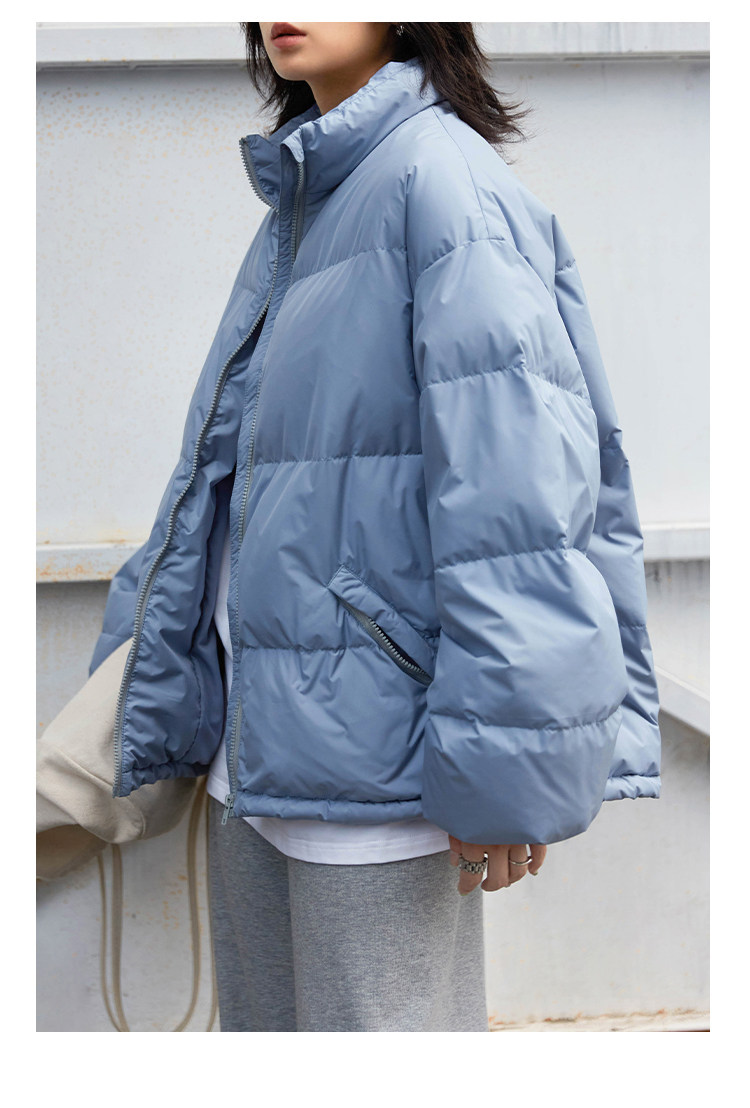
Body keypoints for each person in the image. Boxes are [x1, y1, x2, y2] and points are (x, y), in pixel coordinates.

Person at [89, 22, 662, 1032]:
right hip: (263, 758)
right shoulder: (316, 189)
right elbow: (226, 479)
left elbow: (521, 507)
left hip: (381, 774)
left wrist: (504, 781)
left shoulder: (441, 184)